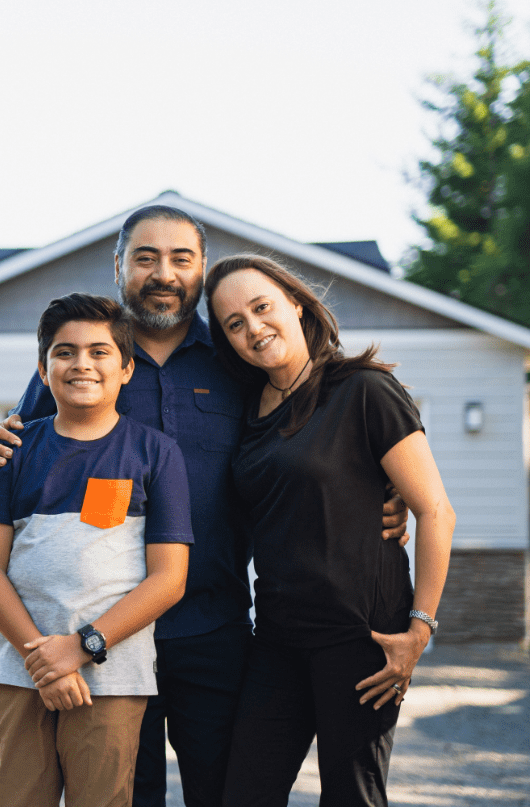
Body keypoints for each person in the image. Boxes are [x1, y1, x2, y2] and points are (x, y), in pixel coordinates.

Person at [0, 205, 411, 807]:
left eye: (181, 258)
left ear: (201, 269)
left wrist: (386, 495)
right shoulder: (91, 357)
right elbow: (30, 451)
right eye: (145, 257)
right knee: (128, 793)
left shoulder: (237, 359)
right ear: (120, 266)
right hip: (110, 636)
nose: (164, 273)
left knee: (227, 790)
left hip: (214, 626)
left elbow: (314, 448)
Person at [205, 254, 454, 806]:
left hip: (362, 638)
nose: (253, 328)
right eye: (234, 323)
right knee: (245, 794)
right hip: (277, 637)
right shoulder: (246, 412)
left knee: (351, 796)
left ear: (296, 303)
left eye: (261, 307)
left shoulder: (363, 390)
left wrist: (419, 630)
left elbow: (435, 510)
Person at [0, 293, 192, 807]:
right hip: (19, 671)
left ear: (127, 369)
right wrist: (42, 661)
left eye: (99, 351)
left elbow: (169, 579)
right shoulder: (13, 451)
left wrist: (80, 647)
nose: (81, 364)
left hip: (110, 675)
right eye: (64, 352)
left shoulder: (155, 454)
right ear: (43, 373)